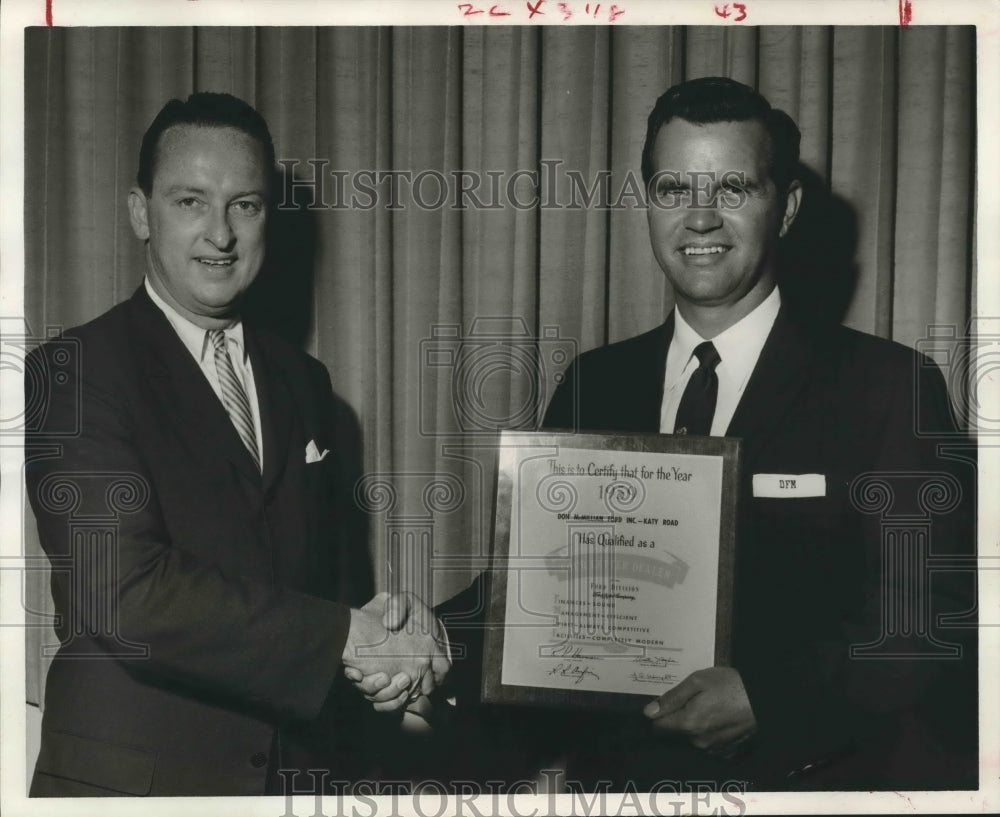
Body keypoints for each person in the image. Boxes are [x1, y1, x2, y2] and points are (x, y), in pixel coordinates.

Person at [356, 76, 977, 791]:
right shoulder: (594, 382)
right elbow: (535, 589)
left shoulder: (887, 387)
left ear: (787, 207)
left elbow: (929, 621)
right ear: (646, 202)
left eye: (734, 187)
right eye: (675, 189)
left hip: (807, 788)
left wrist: (771, 700)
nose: (701, 218)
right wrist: (426, 638)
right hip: (617, 789)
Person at [25, 92, 449, 797]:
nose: (220, 234)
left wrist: (387, 647)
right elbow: (127, 593)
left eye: (244, 205)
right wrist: (349, 635)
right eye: (191, 201)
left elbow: (321, 598)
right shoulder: (72, 373)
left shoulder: (306, 384)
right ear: (140, 212)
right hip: (132, 790)